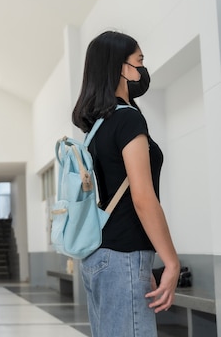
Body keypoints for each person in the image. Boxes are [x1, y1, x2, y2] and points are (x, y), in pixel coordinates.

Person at [72, 31, 179, 337]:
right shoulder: (128, 119)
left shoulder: (97, 127)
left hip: (99, 255)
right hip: (124, 255)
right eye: (139, 61)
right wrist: (170, 262)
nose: (143, 69)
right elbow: (142, 197)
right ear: (119, 67)